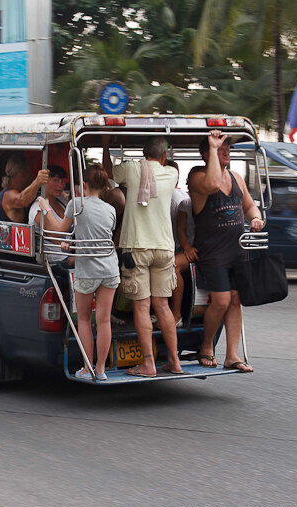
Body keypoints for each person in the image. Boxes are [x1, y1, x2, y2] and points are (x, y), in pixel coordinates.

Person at [102, 135, 184, 377]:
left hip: (137, 247)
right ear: (164, 156)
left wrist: (107, 145)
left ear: (143, 152)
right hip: (164, 248)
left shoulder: (133, 169)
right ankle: (175, 361)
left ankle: (148, 364)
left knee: (142, 306)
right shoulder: (172, 174)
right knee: (162, 306)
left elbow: (108, 171)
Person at [188, 130, 264, 373]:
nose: (225, 153)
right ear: (206, 154)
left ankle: (232, 354)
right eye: (220, 150)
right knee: (220, 301)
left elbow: (250, 205)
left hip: (237, 251)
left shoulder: (236, 177)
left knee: (235, 300)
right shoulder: (198, 177)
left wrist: (256, 219)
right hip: (213, 252)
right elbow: (212, 184)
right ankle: (207, 346)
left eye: (226, 149)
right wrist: (212, 148)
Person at [37, 165, 118, 381]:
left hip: (87, 270)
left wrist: (45, 207)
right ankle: (100, 370)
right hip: (110, 267)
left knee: (84, 319)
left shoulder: (76, 204)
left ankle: (86, 368)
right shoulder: (110, 209)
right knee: (103, 321)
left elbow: (59, 229)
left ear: (82, 184)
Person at [0, 154, 49, 223]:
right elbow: (22, 200)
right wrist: (37, 182)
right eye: (29, 173)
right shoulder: (7, 194)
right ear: (22, 174)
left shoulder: (13, 192)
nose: (30, 177)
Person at [169, 182, 196, 326]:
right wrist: (187, 248)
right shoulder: (186, 203)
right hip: (188, 248)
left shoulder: (212, 203)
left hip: (207, 250)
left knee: (173, 265)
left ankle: (176, 314)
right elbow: (180, 229)